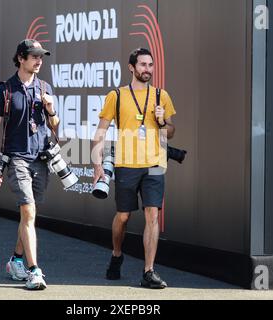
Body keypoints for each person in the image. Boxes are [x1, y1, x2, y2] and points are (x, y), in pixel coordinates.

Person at [93, 48, 176, 289]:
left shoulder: (162, 96)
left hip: (154, 164)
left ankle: (148, 271)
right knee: (123, 216)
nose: (147, 69)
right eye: (142, 65)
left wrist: (163, 121)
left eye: (150, 65)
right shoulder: (116, 96)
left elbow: (171, 131)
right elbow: (100, 131)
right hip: (126, 164)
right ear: (131, 67)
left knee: (153, 214)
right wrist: (97, 164)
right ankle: (117, 254)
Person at [0, 39, 59, 290]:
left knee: (30, 214)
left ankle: (15, 259)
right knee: (28, 211)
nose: (39, 61)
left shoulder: (45, 87)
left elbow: (55, 125)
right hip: (16, 158)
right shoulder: (5, 90)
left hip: (41, 159)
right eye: (34, 56)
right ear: (20, 58)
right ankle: (34, 270)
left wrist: (50, 110)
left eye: (41, 57)